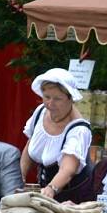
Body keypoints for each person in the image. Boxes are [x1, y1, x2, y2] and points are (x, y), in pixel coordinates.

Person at [21, 68, 93, 203]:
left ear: (70, 99)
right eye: (46, 97)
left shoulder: (78, 129)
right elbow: (29, 148)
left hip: (73, 200)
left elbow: (68, 168)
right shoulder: (40, 112)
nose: (50, 103)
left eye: (57, 99)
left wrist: (51, 188)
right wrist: (19, 178)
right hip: (46, 195)